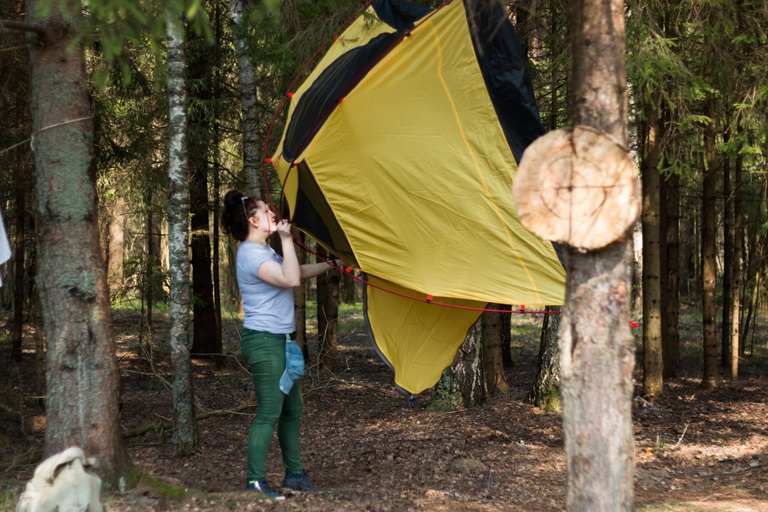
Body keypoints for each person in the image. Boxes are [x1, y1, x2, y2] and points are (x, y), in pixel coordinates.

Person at [220, 189, 338, 500]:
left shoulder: (263, 251)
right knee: (270, 411)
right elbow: (290, 281)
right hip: (264, 343)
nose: (274, 214)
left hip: (282, 342)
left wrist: (331, 265)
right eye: (266, 211)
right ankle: (255, 483)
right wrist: (287, 238)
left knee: (291, 410)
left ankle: (295, 476)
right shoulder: (250, 253)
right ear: (252, 219)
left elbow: (293, 271)